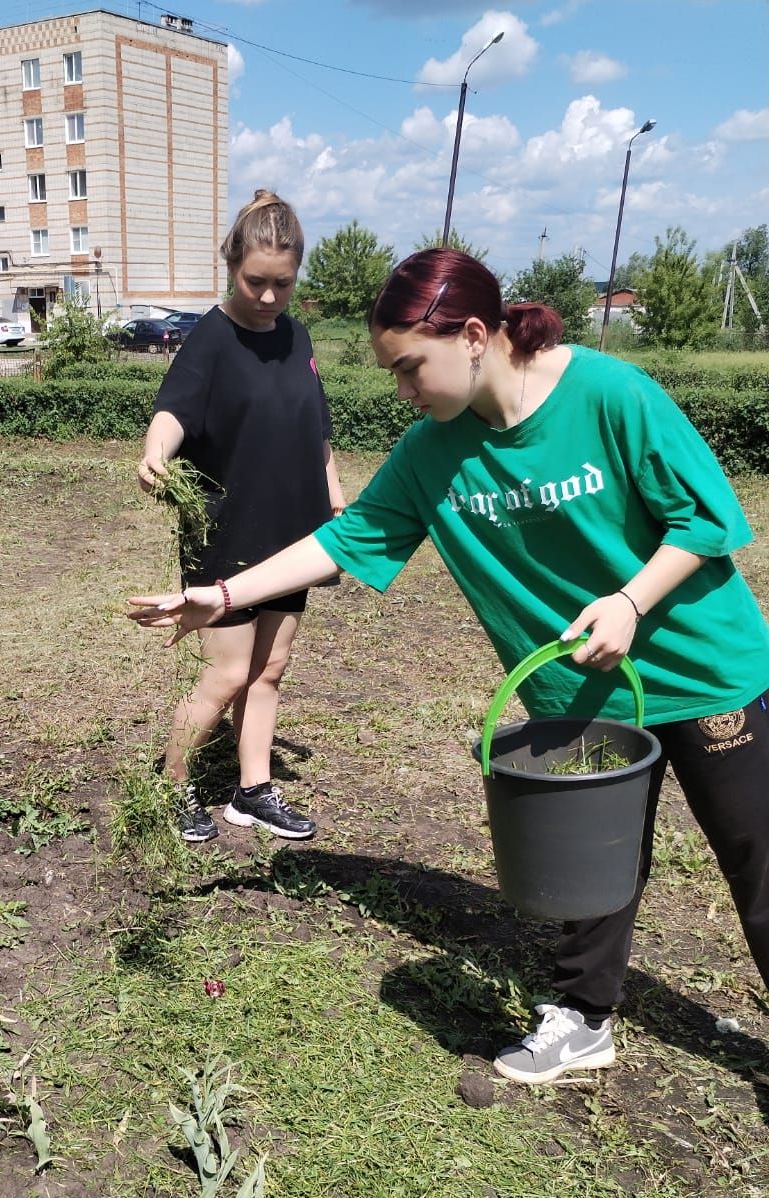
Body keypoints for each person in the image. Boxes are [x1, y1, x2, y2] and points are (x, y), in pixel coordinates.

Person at [129, 247, 769, 1085]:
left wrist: (632, 600)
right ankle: (583, 1018)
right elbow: (344, 539)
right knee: (594, 855)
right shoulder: (435, 451)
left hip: (704, 670)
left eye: (409, 368)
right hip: (580, 687)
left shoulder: (610, 395)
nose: (403, 391)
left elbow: (705, 515)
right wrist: (220, 593)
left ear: (474, 335)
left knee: (757, 862)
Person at [136, 189, 347, 843]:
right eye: (256, 281)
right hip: (226, 532)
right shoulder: (212, 338)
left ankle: (252, 791)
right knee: (227, 671)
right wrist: (155, 452)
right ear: (231, 264)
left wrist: (334, 492)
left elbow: (316, 426)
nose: (267, 296)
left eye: (282, 284)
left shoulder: (297, 335)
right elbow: (175, 409)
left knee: (270, 668)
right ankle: (169, 787)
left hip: (294, 530)